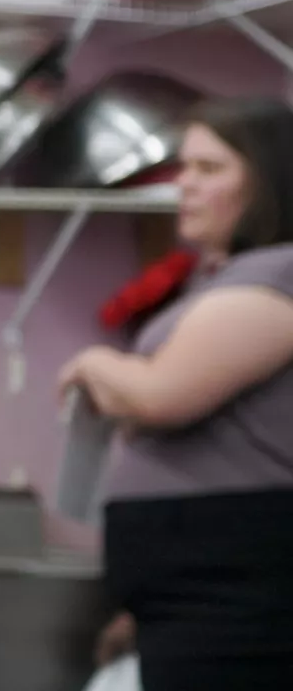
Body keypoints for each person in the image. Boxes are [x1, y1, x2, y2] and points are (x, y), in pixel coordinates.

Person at [62, 96, 293, 690]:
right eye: (183, 167)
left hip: (238, 588)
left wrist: (96, 363)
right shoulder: (225, 282)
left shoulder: (276, 280)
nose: (183, 185)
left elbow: (159, 397)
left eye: (209, 170)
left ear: (270, 180)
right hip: (194, 594)